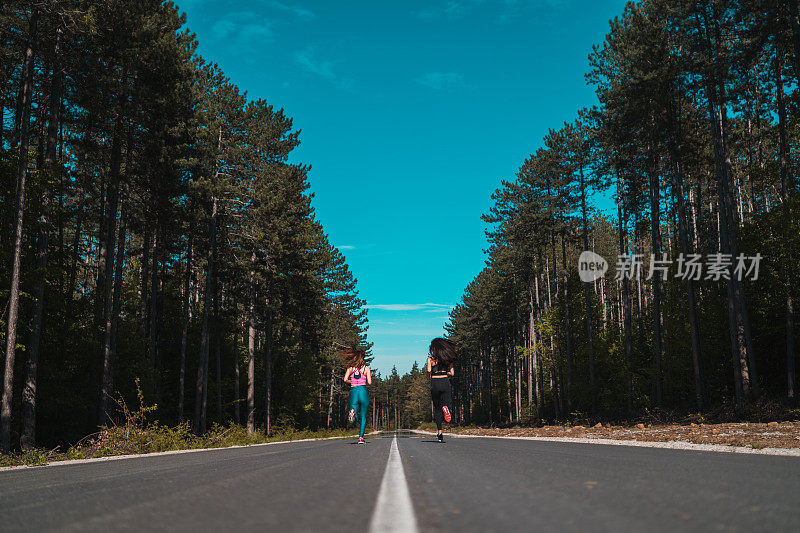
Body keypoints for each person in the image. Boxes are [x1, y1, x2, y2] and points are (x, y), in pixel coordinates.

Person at [426, 337, 458, 443]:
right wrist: (445, 372)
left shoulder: (430, 359)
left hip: (435, 383)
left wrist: (430, 375)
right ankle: (446, 408)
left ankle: (440, 433)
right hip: (445, 382)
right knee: (446, 404)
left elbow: (429, 371)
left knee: (437, 408)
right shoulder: (447, 359)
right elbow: (452, 373)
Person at [341, 344, 371, 444]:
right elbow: (369, 382)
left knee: (354, 409)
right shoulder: (366, 368)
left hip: (353, 391)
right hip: (363, 391)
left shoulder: (350, 369)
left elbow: (345, 379)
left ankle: (353, 413)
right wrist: (363, 382)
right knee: (363, 416)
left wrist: (352, 382)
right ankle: (361, 438)